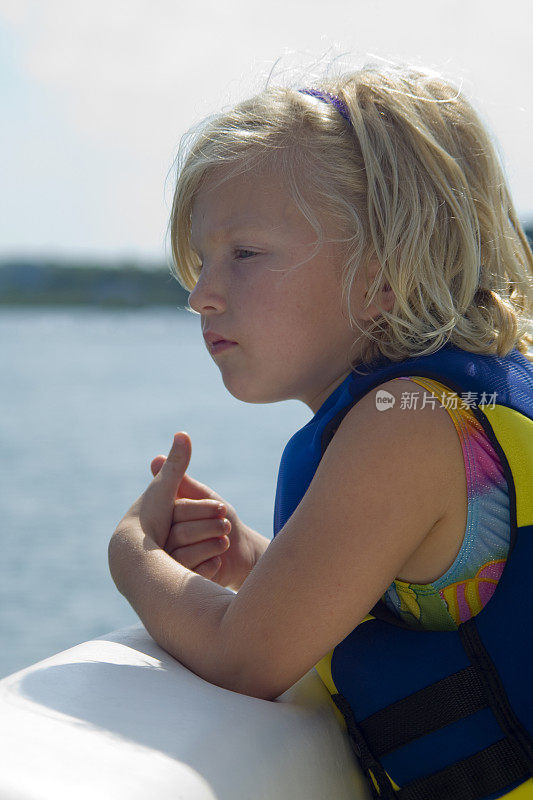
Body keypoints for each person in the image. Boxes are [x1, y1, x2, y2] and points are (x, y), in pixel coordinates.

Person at [108, 62, 533, 799]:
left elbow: (244, 659)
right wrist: (254, 561)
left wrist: (132, 553)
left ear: (382, 271)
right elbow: (435, 585)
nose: (202, 294)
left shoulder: (405, 428)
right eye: (202, 261)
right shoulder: (463, 401)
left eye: (244, 254)